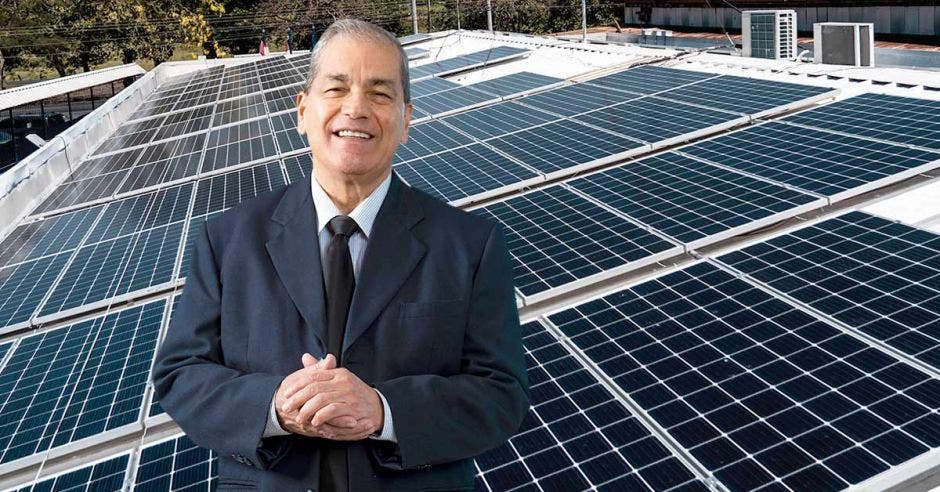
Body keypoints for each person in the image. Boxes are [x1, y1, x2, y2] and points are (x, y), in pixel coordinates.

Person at [151, 18, 529, 492]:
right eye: (337, 88)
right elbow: (180, 374)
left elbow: (502, 394)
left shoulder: (471, 245)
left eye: (380, 93)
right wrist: (275, 405)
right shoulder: (228, 239)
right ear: (302, 111)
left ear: (406, 120)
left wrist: (384, 411)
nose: (356, 108)